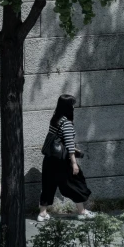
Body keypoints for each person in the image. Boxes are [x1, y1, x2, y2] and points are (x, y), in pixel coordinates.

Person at [38, 94, 95, 222]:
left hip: (50, 158)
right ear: (68, 107)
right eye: (72, 105)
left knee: (48, 185)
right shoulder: (67, 123)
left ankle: (42, 213)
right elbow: (69, 144)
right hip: (62, 161)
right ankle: (82, 212)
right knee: (76, 183)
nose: (74, 107)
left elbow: (59, 140)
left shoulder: (55, 119)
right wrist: (74, 163)